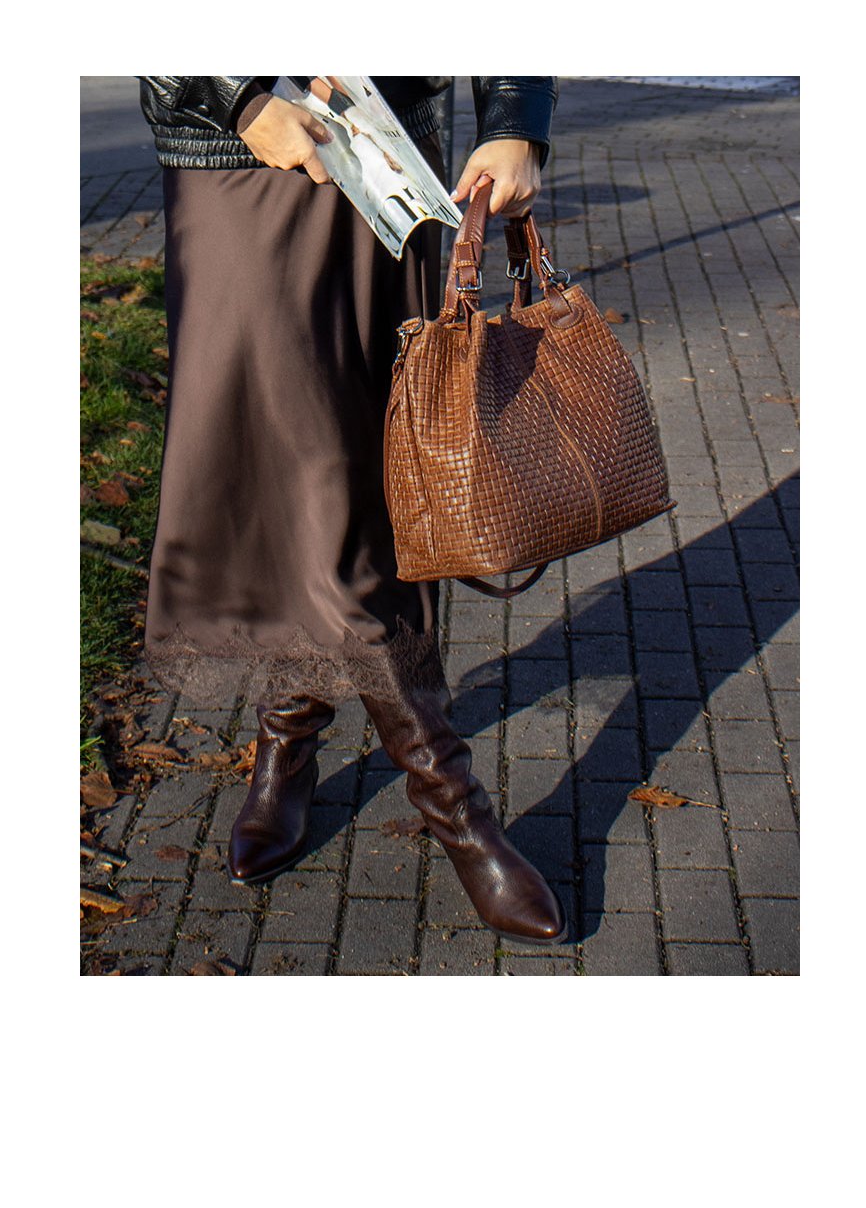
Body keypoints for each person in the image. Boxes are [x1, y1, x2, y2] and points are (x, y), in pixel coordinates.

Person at [136, 75, 566, 945]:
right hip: (239, 153)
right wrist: (243, 97)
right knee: (309, 470)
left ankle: (288, 731)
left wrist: (514, 115)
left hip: (385, 153)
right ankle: (453, 801)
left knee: (367, 474)